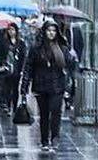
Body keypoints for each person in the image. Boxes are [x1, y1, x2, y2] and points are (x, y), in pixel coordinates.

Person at [21, 21, 75, 151]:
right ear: (44, 32)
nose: (51, 33)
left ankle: (55, 137)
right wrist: (24, 86)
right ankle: (44, 139)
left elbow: (70, 65)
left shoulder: (62, 47)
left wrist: (68, 51)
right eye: (49, 30)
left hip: (57, 85)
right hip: (41, 85)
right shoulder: (36, 48)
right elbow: (29, 66)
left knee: (56, 111)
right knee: (44, 114)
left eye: (54, 31)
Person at [0, 24, 27, 113]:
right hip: (7, 68)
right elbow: (0, 54)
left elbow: (23, 56)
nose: (11, 31)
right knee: (7, 87)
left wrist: (22, 69)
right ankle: (8, 105)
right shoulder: (4, 42)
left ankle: (14, 106)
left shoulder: (21, 43)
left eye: (13, 29)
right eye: (9, 30)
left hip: (16, 68)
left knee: (15, 88)